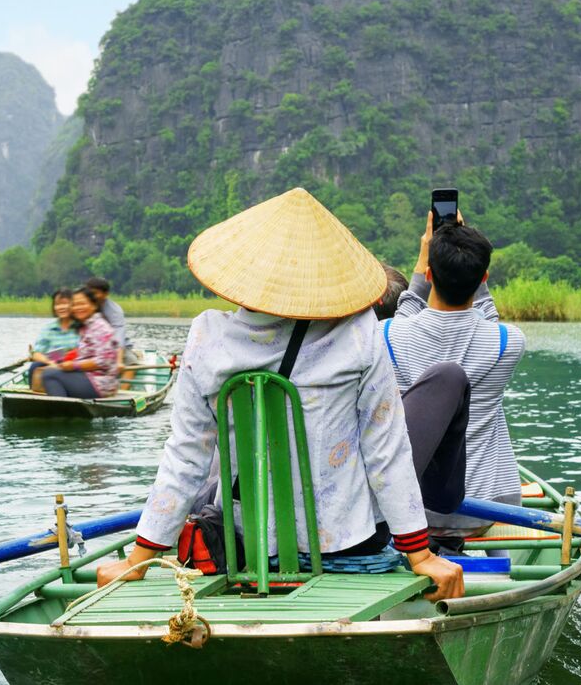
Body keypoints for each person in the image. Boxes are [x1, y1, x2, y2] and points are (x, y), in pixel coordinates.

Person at [94, 188, 464, 601]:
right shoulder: (360, 333)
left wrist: (137, 560)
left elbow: (186, 456)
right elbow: (386, 448)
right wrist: (419, 554)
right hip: (348, 545)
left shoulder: (208, 337)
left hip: (246, 546)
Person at [387, 211, 526, 551]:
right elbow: (489, 320)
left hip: (414, 513)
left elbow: (404, 312)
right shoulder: (510, 342)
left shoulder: (388, 335)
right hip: (481, 512)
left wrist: (423, 261)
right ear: (484, 278)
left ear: (430, 274)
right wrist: (473, 268)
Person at [37, 287, 120, 398]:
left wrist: (73, 365)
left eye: (82, 304)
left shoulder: (100, 327)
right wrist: (52, 361)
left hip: (100, 383)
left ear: (94, 305)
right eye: (75, 305)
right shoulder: (85, 326)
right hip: (84, 374)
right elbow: (37, 352)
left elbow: (104, 361)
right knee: (37, 366)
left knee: (49, 374)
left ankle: (60, 409)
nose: (78, 308)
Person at [27, 288, 81, 392]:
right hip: (54, 360)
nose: (61, 307)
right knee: (35, 366)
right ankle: (33, 394)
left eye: (65, 303)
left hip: (77, 363)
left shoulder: (81, 326)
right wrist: (50, 362)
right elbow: (36, 353)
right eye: (57, 304)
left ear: (73, 305)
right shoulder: (49, 328)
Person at [84, 277, 129, 355]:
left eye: (95, 293)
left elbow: (119, 336)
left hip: (112, 346)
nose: (91, 296)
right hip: (90, 346)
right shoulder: (82, 307)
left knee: (130, 360)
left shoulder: (115, 311)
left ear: (106, 294)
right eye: (89, 293)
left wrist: (118, 358)